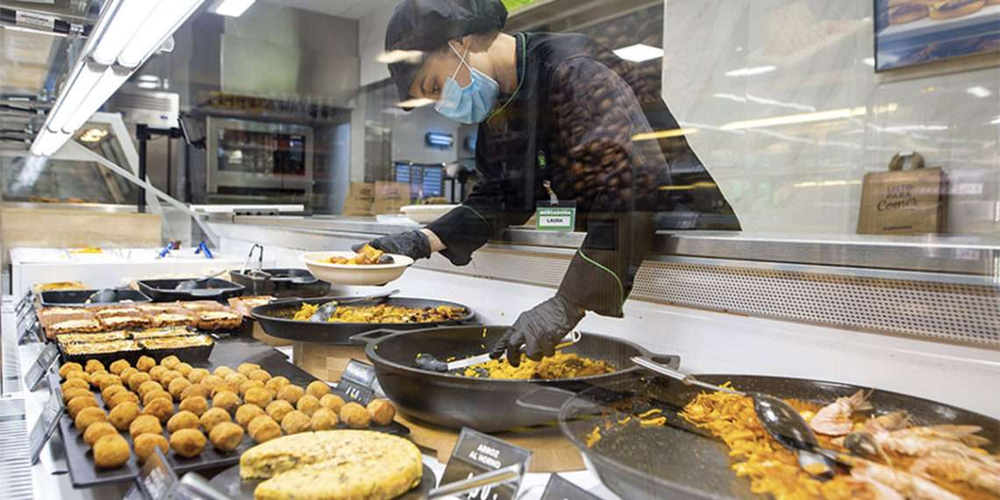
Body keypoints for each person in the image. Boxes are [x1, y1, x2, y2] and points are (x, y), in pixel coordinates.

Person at [357, 0, 738, 366]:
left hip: (686, 250)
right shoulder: (501, 106)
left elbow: (630, 187)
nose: (445, 105)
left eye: (436, 86)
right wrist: (422, 240)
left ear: (461, 42)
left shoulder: (572, 70)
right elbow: (501, 196)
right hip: (620, 252)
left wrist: (568, 302)